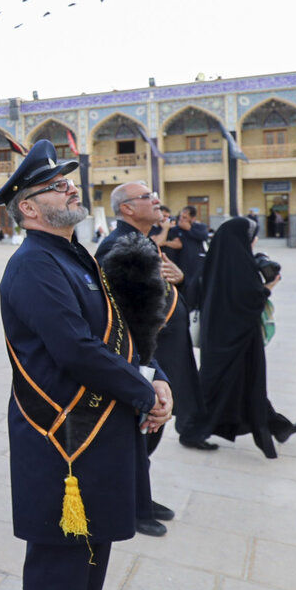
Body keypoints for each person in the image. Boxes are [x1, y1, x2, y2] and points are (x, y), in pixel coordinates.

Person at [0, 141, 172, 590]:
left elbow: (116, 332)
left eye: (69, 181)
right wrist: (143, 392)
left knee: (94, 551)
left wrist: (153, 376)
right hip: (61, 439)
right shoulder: (31, 266)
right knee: (61, 558)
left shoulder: (76, 257)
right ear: (28, 208)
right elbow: (74, 348)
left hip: (99, 429)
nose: (73, 188)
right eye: (57, 186)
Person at [96, 182, 199, 535]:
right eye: (147, 198)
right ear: (126, 208)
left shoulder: (142, 242)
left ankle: (141, 496)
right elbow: (122, 319)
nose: (157, 201)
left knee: (150, 432)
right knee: (139, 430)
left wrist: (179, 279)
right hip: (144, 359)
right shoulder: (120, 246)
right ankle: (131, 507)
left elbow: (157, 297)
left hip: (160, 354)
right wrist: (147, 371)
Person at [198, 216, 296, 458]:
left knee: (248, 382)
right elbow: (248, 298)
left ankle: (277, 426)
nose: (253, 239)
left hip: (230, 336)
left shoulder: (222, 259)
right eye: (251, 235)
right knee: (221, 385)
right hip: (234, 338)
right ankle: (192, 430)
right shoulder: (236, 263)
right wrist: (268, 288)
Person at [162, 206, 210, 293]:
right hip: (182, 265)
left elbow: (204, 236)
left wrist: (189, 229)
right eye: (180, 216)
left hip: (196, 265)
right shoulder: (175, 230)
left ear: (192, 219)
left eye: (185, 217)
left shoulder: (199, 227)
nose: (181, 219)